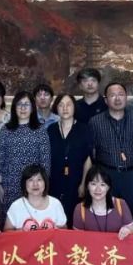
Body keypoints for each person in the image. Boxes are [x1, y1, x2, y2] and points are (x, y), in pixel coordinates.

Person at [72, 166, 133, 265]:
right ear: (87, 186)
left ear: (109, 187)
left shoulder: (120, 205)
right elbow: (76, 243)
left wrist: (127, 230)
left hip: (118, 260)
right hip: (92, 262)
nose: (98, 189)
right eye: (93, 184)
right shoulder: (80, 209)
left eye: (102, 184)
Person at [4, 164, 68, 265]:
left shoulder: (55, 204)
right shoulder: (16, 206)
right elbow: (6, 233)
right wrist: (22, 233)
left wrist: (53, 231)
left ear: (45, 183)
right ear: (24, 184)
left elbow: (65, 231)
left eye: (39, 180)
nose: (35, 184)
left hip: (49, 256)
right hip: (25, 255)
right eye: (30, 180)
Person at [89, 83, 133, 223]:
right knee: (107, 214)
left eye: (121, 94)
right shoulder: (95, 122)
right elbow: (92, 152)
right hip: (106, 176)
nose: (117, 99)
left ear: (126, 97)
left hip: (131, 175)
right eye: (112, 95)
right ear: (106, 100)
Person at [0, 91, 51, 218]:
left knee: (32, 220)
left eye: (26, 104)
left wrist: (43, 185)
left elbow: (45, 162)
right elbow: (0, 159)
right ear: (14, 107)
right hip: (10, 185)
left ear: (32, 108)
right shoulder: (6, 130)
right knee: (11, 220)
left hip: (34, 184)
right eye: (19, 104)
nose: (23, 108)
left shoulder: (40, 130)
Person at [47, 93, 93, 226]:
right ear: (56, 108)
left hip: (76, 181)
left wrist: (83, 183)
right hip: (55, 181)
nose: (65, 108)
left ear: (74, 107)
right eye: (61, 105)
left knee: (75, 216)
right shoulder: (51, 130)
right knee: (55, 218)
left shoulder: (84, 129)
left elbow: (88, 159)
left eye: (68, 105)